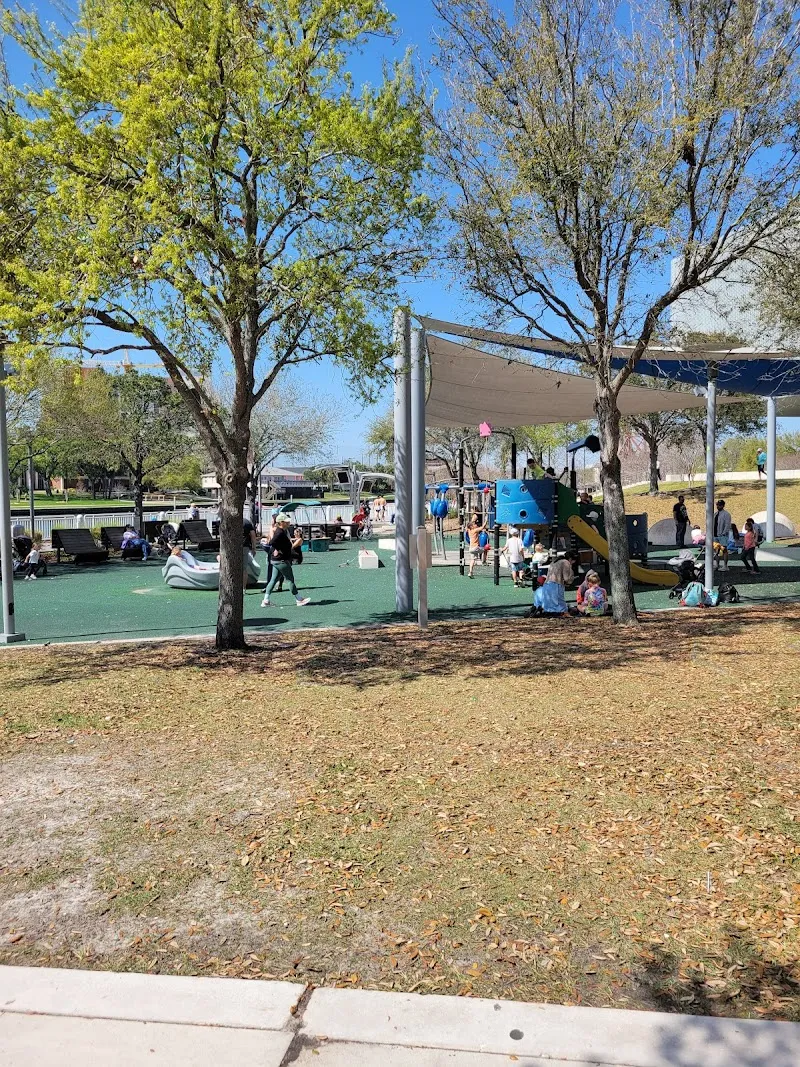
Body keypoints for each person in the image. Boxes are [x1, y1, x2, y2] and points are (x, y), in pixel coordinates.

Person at [261, 514, 311, 607]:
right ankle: (299, 599)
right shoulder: (279, 532)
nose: (289, 523)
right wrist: (277, 549)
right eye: (286, 521)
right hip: (281, 561)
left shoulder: (282, 531)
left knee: (273, 580)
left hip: (277, 561)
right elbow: (272, 542)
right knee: (290, 580)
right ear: (281, 522)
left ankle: (266, 600)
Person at [712, 499, 732, 571]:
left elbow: (727, 525)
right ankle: (717, 564)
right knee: (716, 550)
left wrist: (723, 533)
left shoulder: (726, 514)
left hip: (722, 535)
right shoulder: (715, 514)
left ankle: (725, 565)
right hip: (715, 534)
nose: (718, 506)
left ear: (723, 506)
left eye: (719, 505)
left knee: (724, 550)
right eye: (717, 505)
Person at [466, 513, 487, 577]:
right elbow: (482, 527)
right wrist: (486, 520)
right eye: (474, 524)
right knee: (486, 549)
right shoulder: (475, 530)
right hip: (475, 548)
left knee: (472, 560)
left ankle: (470, 572)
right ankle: (484, 561)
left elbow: (469, 525)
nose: (475, 525)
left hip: (471, 549)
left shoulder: (469, 530)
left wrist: (474, 519)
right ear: (472, 527)